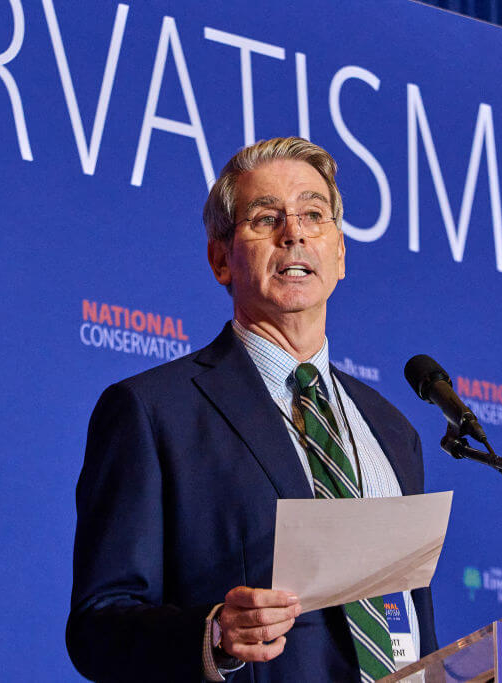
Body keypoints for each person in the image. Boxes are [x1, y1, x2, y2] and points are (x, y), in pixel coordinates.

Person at [66, 137, 438, 682]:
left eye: (314, 214)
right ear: (221, 259)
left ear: (340, 253)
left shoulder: (392, 430)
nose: (295, 233)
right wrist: (213, 635)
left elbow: (414, 626)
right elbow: (98, 625)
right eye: (266, 219)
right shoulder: (153, 412)